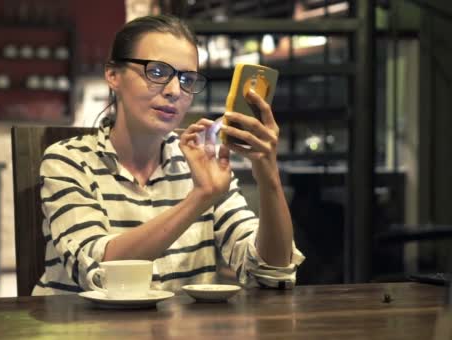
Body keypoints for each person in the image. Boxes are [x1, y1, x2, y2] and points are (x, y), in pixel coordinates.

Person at [33, 14, 304, 295]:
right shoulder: (69, 160)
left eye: (187, 79)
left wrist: (268, 175)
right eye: (158, 72)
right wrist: (201, 197)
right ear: (113, 75)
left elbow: (271, 273)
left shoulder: (201, 162)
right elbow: (98, 271)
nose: (175, 91)